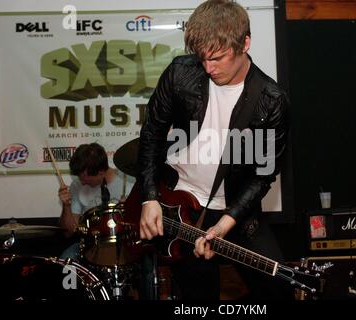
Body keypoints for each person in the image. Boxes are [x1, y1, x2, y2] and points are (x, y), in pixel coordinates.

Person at [137, 0, 293, 300]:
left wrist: (227, 221)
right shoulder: (180, 73)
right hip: (177, 203)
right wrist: (149, 197)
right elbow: (152, 135)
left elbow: (263, 176)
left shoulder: (272, 100)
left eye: (218, 58)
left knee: (278, 288)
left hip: (234, 211)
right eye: (202, 59)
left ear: (245, 43)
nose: (209, 68)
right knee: (199, 294)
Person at [58, 142, 132, 258]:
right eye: (79, 177)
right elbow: (68, 232)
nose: (82, 182)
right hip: (90, 244)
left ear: (101, 172)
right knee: (67, 258)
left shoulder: (128, 181)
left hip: (123, 242)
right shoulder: (77, 186)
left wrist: (129, 209)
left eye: (85, 178)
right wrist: (66, 206)